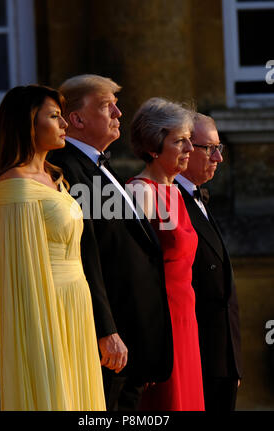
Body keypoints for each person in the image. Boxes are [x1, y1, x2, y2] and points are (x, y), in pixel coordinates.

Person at [48, 75, 173, 411]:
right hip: (109, 343)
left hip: (133, 340)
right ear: (77, 119)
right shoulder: (66, 169)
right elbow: (85, 256)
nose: (119, 112)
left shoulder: (103, 167)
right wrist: (105, 330)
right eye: (106, 106)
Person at [0, 84, 106, 411]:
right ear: (28, 124)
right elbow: (24, 279)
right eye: (54, 116)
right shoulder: (15, 187)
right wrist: (42, 346)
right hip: (45, 309)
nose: (64, 124)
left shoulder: (57, 179)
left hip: (76, 303)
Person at [127, 97, 205, 411]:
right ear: (153, 145)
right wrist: (144, 345)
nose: (190, 149)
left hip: (186, 319)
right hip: (160, 325)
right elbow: (132, 272)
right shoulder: (140, 192)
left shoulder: (175, 191)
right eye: (180, 141)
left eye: (191, 140)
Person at [175, 113, 242, 411]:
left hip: (220, 357)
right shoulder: (164, 197)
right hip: (194, 356)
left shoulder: (197, 197)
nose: (219, 157)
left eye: (220, 148)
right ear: (185, 148)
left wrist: (232, 359)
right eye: (209, 148)